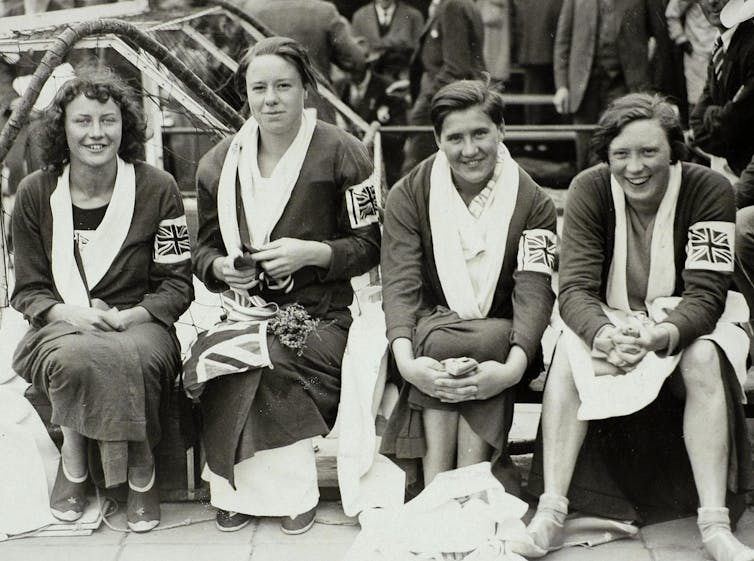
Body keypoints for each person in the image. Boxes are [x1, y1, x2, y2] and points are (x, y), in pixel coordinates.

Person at [526, 93, 754, 561]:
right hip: (610, 316)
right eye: (621, 154)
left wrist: (659, 336)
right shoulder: (590, 188)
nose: (635, 167)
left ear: (674, 150)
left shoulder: (711, 189)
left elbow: (707, 295)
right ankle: (550, 512)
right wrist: (603, 335)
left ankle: (714, 523)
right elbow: (574, 290)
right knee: (569, 355)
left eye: (649, 152)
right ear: (606, 156)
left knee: (704, 356)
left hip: (688, 318)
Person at [185, 36, 381, 535]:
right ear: (244, 95)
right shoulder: (218, 163)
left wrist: (313, 254)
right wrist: (223, 270)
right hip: (243, 310)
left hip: (324, 315)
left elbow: (371, 244)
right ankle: (233, 490)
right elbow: (202, 251)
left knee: (273, 358)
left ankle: (294, 492)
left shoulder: (344, 153)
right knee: (224, 360)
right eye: (259, 88)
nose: (271, 99)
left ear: (306, 90)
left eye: (283, 86)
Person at [10, 68, 194, 532]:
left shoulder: (158, 189)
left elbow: (177, 284)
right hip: (61, 323)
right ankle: (85, 462)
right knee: (73, 356)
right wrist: (71, 313)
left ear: (124, 126)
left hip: (141, 324)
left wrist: (133, 314)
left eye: (108, 120)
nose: (96, 133)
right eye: (83, 121)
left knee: (132, 354)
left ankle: (136, 470)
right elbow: (28, 290)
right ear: (62, 128)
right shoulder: (35, 194)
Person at [380, 79, 557, 492]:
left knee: (482, 342)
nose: (470, 149)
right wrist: (406, 362)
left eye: (480, 133)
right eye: (455, 138)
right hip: (428, 331)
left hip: (508, 339)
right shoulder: (409, 194)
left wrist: (513, 369)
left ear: (502, 131)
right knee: (442, 343)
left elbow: (533, 291)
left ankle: (460, 486)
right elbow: (401, 282)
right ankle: (448, 489)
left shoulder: (534, 201)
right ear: (437, 139)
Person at [688, 0, 754, 327]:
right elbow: (701, 123)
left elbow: (732, 121)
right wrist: (720, 117)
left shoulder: (750, 40)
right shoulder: (722, 45)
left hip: (748, 177)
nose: (712, 2)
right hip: (735, 167)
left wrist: (719, 117)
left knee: (731, 226)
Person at [552, 0, 669, 171]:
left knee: (619, 144)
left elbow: (662, 38)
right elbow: (563, 40)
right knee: (585, 149)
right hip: (583, 85)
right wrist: (562, 85)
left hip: (625, 84)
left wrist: (652, 82)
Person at [234, 0, 366, 124]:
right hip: (315, 106)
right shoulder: (324, 11)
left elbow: (239, 58)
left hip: (265, 106)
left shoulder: (251, 8)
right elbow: (356, 60)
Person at [402, 0, 486, 175]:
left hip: (441, 102)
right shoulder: (457, 4)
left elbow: (456, 68)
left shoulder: (452, 5)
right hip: (448, 98)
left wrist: (427, 100)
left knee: (416, 174)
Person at [351, 0, 424, 64]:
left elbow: (417, 52)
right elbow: (356, 53)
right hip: (370, 75)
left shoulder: (414, 16)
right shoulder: (359, 16)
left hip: (403, 74)